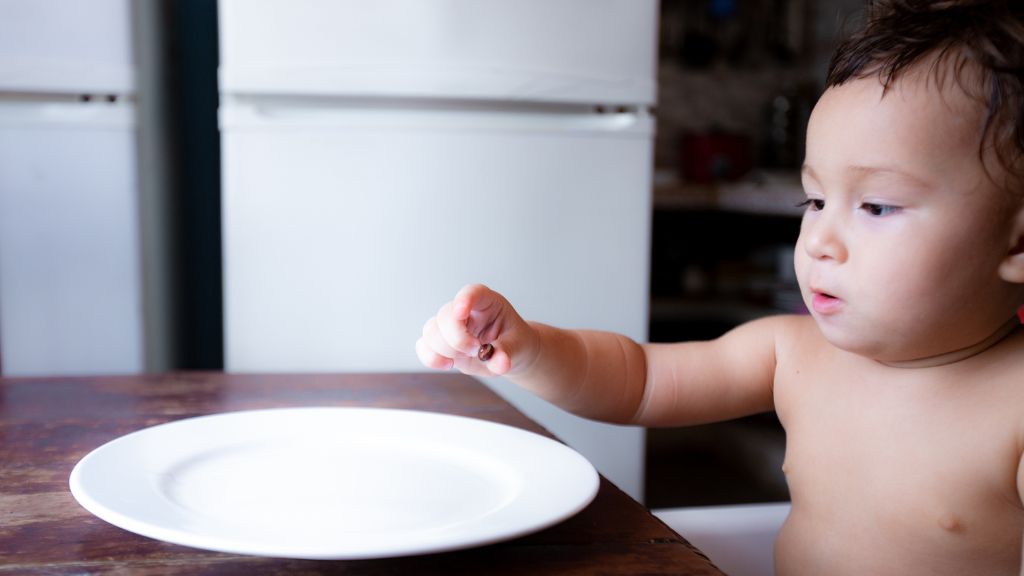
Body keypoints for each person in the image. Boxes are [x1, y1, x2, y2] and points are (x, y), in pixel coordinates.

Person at [415, 0, 1024, 572]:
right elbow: (639, 381)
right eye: (814, 199)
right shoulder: (793, 353)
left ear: (1016, 243)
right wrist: (530, 349)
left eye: (877, 206)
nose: (818, 241)